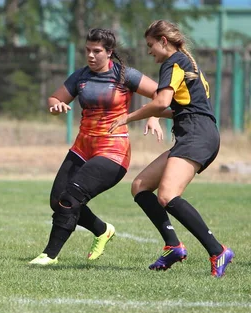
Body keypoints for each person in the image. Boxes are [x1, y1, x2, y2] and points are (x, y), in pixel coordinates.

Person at [108, 20, 234, 277]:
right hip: (195, 133)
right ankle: (173, 246)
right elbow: (177, 107)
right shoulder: (187, 63)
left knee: (167, 195)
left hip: (197, 135)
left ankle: (217, 250)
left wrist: (129, 117)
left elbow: (162, 100)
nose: (149, 51)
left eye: (150, 45)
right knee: (140, 186)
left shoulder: (174, 62)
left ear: (163, 41)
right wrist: (154, 115)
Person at [29, 28, 163, 266]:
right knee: (57, 199)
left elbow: (161, 95)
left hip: (113, 151)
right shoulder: (80, 76)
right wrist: (56, 105)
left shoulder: (125, 75)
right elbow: (54, 98)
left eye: (97, 51)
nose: (90, 55)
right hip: (82, 147)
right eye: (87, 50)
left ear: (109, 52)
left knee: (70, 197)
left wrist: (154, 117)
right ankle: (102, 230)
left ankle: (49, 255)